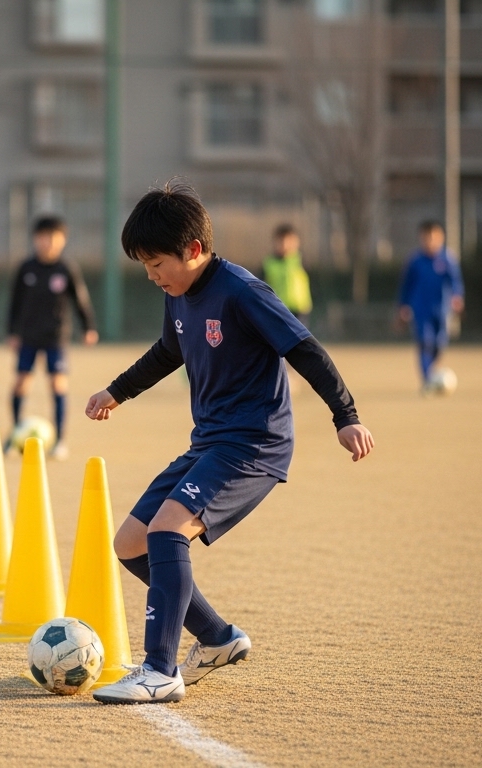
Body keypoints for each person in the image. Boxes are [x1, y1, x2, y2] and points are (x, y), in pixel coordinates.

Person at [83, 181, 375, 704]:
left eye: (156, 263)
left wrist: (345, 416)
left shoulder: (242, 292)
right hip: (209, 442)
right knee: (130, 543)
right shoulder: (178, 295)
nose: (151, 276)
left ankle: (159, 671)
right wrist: (116, 391)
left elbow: (305, 349)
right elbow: (167, 352)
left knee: (168, 531)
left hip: (254, 445)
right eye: (145, 266)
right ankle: (217, 637)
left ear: (193, 249)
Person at [7, 215, 98, 460]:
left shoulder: (66, 269)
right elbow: (15, 302)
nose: (47, 242)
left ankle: (59, 440)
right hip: (28, 336)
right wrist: (12, 332)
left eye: (53, 238)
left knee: (57, 384)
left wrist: (88, 327)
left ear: (62, 240)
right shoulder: (26, 268)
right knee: (20, 383)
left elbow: (80, 299)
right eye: (42, 237)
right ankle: (15, 434)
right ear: (35, 239)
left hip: (55, 337)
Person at [396, 220, 464, 392]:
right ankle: (427, 380)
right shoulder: (415, 261)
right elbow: (406, 286)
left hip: (442, 310)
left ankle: (431, 373)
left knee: (439, 344)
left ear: (441, 238)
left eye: (434, 238)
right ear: (421, 238)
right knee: (425, 342)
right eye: (426, 238)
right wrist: (403, 305)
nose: (430, 242)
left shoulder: (448, 259)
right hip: (420, 310)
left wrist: (457, 297)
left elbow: (455, 282)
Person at [260, 223, 312, 325]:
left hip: (300, 309)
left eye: (289, 242)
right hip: (278, 308)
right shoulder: (269, 263)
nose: (285, 245)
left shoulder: (300, 260)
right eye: (282, 242)